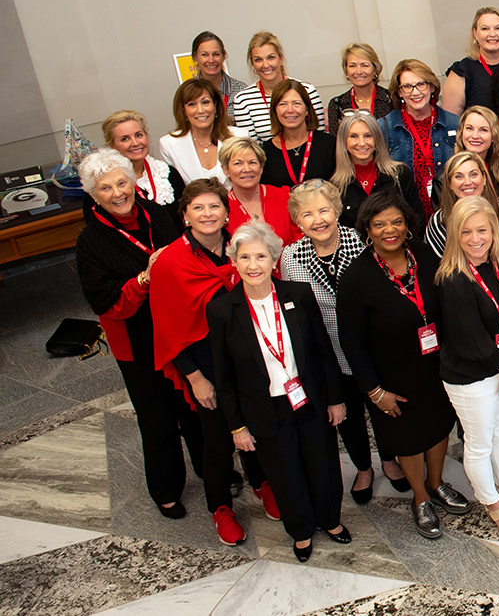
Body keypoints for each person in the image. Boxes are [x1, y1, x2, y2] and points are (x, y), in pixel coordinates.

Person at [208, 221, 348, 562]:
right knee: (285, 473)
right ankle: (300, 531)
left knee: (323, 463)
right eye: (245, 257)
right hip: (264, 408)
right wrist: (237, 426)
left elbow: (323, 351)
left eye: (261, 256)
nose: (253, 265)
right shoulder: (223, 310)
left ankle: (329, 519)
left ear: (274, 260)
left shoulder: (298, 295)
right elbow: (223, 376)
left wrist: (335, 397)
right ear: (234, 262)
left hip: (310, 399)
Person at [75, 149, 200, 520]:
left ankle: (215, 474)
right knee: (156, 415)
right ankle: (166, 489)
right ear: (93, 196)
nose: (117, 193)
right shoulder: (90, 241)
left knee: (195, 405)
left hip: (177, 327)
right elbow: (105, 303)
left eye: (121, 182)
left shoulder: (158, 214)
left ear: (133, 182)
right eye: (105, 188)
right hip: (137, 338)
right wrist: (144, 279)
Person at [150, 179, 273, 546]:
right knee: (219, 442)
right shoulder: (170, 262)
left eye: (214, 206)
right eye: (198, 208)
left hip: (250, 359)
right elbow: (168, 327)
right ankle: (220, 507)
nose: (207, 214)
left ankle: (261, 482)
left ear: (226, 211)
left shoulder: (243, 249)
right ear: (184, 215)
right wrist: (195, 377)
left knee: (257, 427)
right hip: (206, 366)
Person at [336, 192, 465, 539]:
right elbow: (351, 341)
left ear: (408, 225)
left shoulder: (424, 255)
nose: (389, 230)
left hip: (435, 368)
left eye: (396, 222)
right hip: (391, 379)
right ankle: (420, 498)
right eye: (379, 224)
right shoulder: (356, 278)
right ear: (367, 229)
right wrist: (374, 391)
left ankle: (436, 484)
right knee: (408, 440)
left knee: (439, 427)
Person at [435, 196, 499, 536]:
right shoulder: (452, 278)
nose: (476, 238)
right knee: (479, 443)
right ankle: (491, 501)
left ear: (494, 231)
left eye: (482, 230)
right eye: (466, 232)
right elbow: (473, 345)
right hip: (472, 376)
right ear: (455, 235)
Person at [278, 181, 378, 503]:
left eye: (324, 210)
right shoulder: (290, 258)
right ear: (298, 221)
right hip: (329, 354)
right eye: (308, 214)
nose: (318, 219)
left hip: (369, 346)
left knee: (381, 407)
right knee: (345, 415)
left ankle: (389, 461)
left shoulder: (362, 242)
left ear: (336, 211)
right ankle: (364, 467)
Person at [385, 59, 459, 213]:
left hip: (450, 210)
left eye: (421, 84)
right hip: (406, 213)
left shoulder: (455, 124)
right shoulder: (385, 128)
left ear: (432, 86)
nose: (415, 92)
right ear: (399, 92)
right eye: (407, 86)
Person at [424, 152, 499, 258]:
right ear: (450, 184)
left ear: (484, 178)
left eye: (473, 174)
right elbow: (437, 268)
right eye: (459, 176)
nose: (467, 182)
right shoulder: (439, 222)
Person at [332, 112, 421, 229]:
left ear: (377, 139)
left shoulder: (400, 174)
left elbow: (417, 219)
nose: (362, 143)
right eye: (353, 136)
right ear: (343, 141)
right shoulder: (336, 186)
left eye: (368, 135)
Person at [439, 7, 499, 115]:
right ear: (475, 33)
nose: (492, 34)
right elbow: (451, 122)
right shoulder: (462, 71)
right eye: (485, 29)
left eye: (498, 28)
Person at [235, 31, 325, 141]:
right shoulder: (243, 100)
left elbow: (320, 137)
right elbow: (251, 148)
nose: (265, 65)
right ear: (252, 64)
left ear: (280, 59)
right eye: (258, 60)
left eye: (271, 57)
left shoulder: (307, 91)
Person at [157, 79, 247, 184]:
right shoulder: (168, 145)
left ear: (216, 106)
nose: (200, 110)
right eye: (192, 104)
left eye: (205, 102)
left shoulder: (240, 137)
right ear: (183, 111)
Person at [102, 110, 186, 220]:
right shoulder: (104, 186)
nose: (135, 143)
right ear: (112, 146)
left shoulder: (167, 174)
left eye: (139, 135)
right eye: (125, 139)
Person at [219, 137, 298, 245]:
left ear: (261, 168)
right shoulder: (221, 207)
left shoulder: (284, 197)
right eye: (238, 163)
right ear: (226, 170)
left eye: (252, 162)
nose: (246, 169)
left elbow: (300, 241)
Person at [262, 80, 338, 188]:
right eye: (283, 104)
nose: (290, 110)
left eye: (296, 103)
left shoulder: (330, 145)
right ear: (275, 111)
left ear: (307, 109)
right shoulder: (265, 152)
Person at [454, 106, 499, 201]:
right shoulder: (444, 177)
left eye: (483, 130)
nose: (475, 136)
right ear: (461, 132)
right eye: (469, 128)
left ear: (494, 136)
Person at [326, 42, 395, 128]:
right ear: (346, 71)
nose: (358, 71)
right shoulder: (337, 105)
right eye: (352, 66)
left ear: (375, 70)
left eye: (364, 65)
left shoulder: (392, 99)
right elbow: (337, 140)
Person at [188, 31, 248, 121]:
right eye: (204, 55)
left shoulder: (241, 90)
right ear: (195, 58)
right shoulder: (188, 92)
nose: (211, 60)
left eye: (216, 54)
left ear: (223, 56)